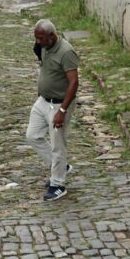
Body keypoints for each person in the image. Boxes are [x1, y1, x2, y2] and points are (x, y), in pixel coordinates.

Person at [26, 18, 79, 201]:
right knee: (33, 136)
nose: (37, 42)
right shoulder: (43, 46)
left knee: (58, 145)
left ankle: (58, 185)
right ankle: (61, 167)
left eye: (40, 38)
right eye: (36, 38)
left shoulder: (66, 52)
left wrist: (62, 111)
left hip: (59, 104)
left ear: (51, 35)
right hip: (43, 101)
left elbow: (74, 83)